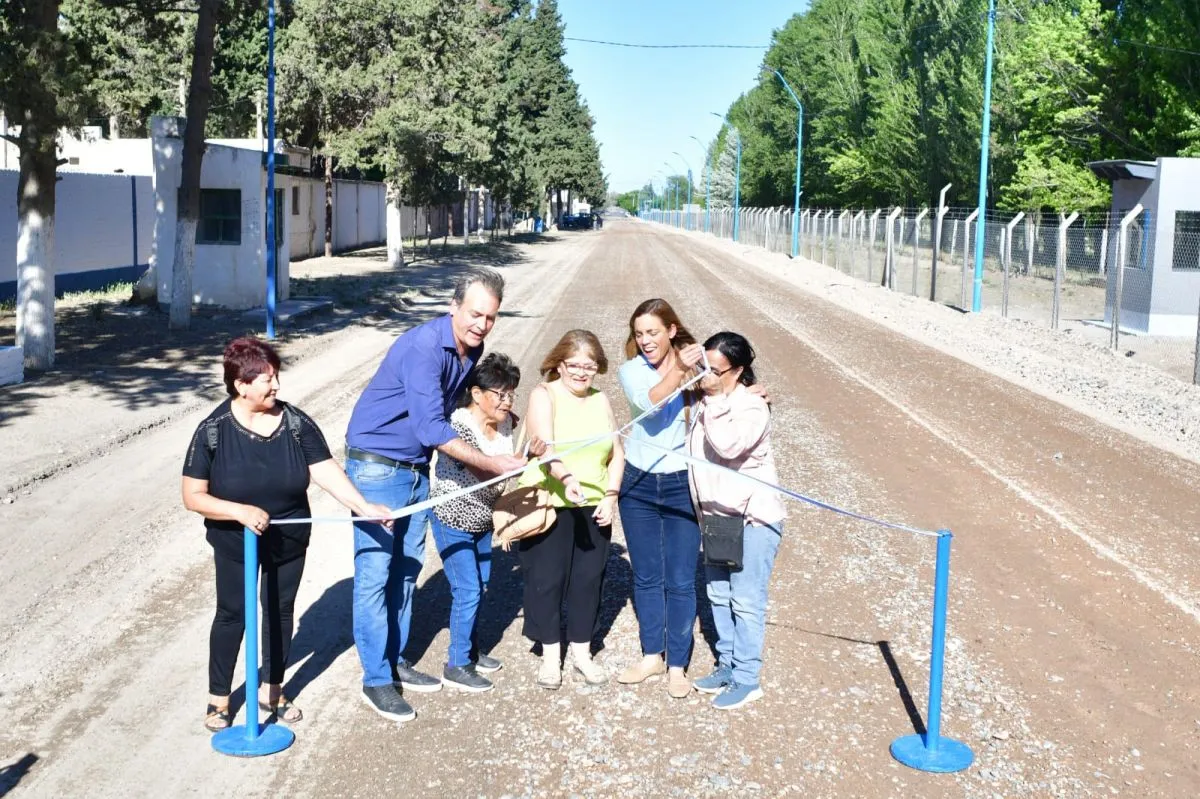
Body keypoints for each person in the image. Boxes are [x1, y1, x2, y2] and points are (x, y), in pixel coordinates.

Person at [344, 268, 528, 722]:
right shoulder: (425, 348)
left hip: (414, 469)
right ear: (453, 307)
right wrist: (492, 462)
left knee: (406, 572)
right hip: (377, 466)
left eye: (490, 317)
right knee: (375, 576)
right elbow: (431, 427)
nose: (481, 324)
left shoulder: (472, 350)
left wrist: (503, 418)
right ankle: (376, 680)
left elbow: (458, 407)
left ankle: (394, 660)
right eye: (474, 314)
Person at [182, 336, 392, 733]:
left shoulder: (296, 424)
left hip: (289, 535)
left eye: (276, 376)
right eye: (266, 379)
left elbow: (325, 470)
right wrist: (239, 511)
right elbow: (193, 496)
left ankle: (272, 691)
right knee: (232, 613)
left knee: (279, 611)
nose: (276, 386)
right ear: (241, 385)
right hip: (234, 541)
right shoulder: (213, 430)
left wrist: (365, 507)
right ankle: (219, 698)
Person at [517, 330, 624, 690]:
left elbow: (617, 453)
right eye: (574, 365)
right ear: (559, 364)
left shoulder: (601, 399)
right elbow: (545, 449)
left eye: (589, 366)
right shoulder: (543, 394)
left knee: (588, 581)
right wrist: (565, 478)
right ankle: (551, 656)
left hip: (594, 503)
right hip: (552, 500)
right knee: (547, 580)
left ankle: (582, 652)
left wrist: (610, 496)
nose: (581, 372)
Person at [688, 332, 785, 710]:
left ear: (738, 370)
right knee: (718, 595)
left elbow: (728, 446)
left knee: (745, 601)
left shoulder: (752, 406)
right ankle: (727, 664)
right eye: (704, 368)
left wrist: (715, 399)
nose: (706, 376)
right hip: (718, 516)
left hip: (753, 518)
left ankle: (747, 678)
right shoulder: (703, 399)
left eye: (715, 370)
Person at [615, 299, 706, 698]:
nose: (645, 340)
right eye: (639, 334)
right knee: (647, 575)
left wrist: (754, 393)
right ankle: (652, 655)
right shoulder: (631, 370)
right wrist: (680, 370)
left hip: (682, 483)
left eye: (653, 332)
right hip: (638, 484)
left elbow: (726, 388)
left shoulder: (696, 366)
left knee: (681, 579)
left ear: (671, 331)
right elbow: (651, 405)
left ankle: (677, 665)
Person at [428, 353, 522, 693]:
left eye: (511, 393)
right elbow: (484, 472)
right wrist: (524, 462)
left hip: (483, 518)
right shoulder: (457, 425)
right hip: (452, 517)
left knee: (480, 585)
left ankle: (470, 649)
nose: (507, 401)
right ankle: (457, 664)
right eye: (500, 394)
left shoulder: (506, 421)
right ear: (477, 394)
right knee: (466, 589)